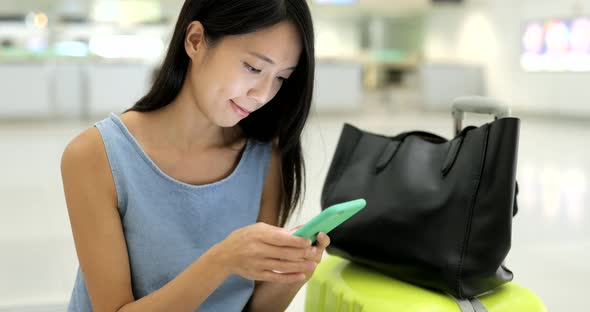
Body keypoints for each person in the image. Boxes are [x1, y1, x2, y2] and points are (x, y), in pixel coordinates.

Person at [60, 0, 330, 311]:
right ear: (196, 41)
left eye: (281, 78)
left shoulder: (264, 156)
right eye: (253, 68)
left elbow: (253, 307)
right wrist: (223, 259)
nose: (263, 94)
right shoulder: (95, 155)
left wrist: (296, 272)